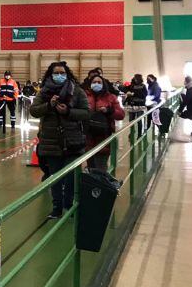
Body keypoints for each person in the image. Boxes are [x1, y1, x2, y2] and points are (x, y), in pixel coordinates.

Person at [30, 62, 90, 218]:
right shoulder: (43, 93)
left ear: (67, 73)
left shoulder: (77, 91)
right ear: (50, 75)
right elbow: (34, 111)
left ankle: (69, 205)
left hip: (72, 141)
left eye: (62, 72)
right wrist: (48, 106)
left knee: (70, 178)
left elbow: (85, 112)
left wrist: (68, 111)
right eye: (56, 73)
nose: (59, 75)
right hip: (51, 142)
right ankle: (56, 207)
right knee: (55, 177)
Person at [85, 73, 124, 171]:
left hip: (104, 139)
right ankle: (92, 186)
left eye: (99, 82)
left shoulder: (111, 97)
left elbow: (121, 115)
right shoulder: (84, 96)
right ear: (90, 84)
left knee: (101, 168)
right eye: (94, 82)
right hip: (88, 138)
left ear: (103, 84)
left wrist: (108, 111)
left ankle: (101, 186)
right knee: (90, 168)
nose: (96, 84)